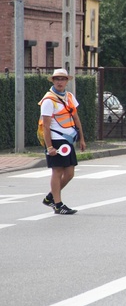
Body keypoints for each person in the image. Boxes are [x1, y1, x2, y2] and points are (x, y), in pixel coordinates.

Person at [39, 69, 86, 215]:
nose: (60, 82)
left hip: (68, 140)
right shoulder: (48, 100)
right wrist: (50, 146)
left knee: (70, 173)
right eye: (57, 79)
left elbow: (76, 118)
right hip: (56, 140)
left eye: (63, 79)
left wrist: (82, 139)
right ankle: (58, 204)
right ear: (53, 81)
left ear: (67, 81)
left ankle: (50, 197)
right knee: (57, 171)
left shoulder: (69, 96)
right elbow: (46, 125)